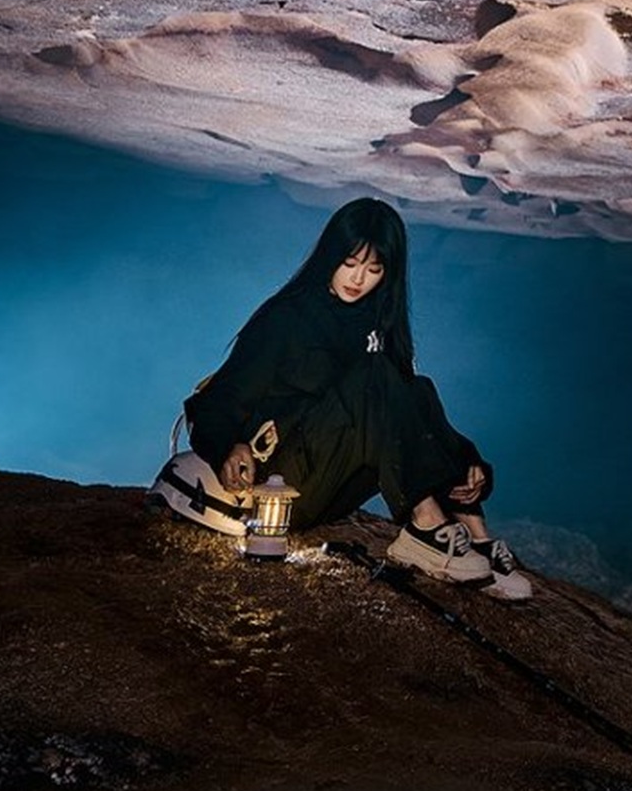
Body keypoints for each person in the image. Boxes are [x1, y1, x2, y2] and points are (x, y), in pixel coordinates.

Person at [187, 196, 530, 600]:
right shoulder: (288, 317)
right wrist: (231, 444)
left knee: (418, 388)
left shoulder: (379, 320)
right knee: (375, 375)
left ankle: (476, 539)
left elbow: (406, 410)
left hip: (333, 481)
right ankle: (423, 530)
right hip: (277, 487)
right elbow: (214, 403)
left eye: (374, 269)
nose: (358, 278)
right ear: (330, 257)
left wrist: (468, 461)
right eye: (349, 263)